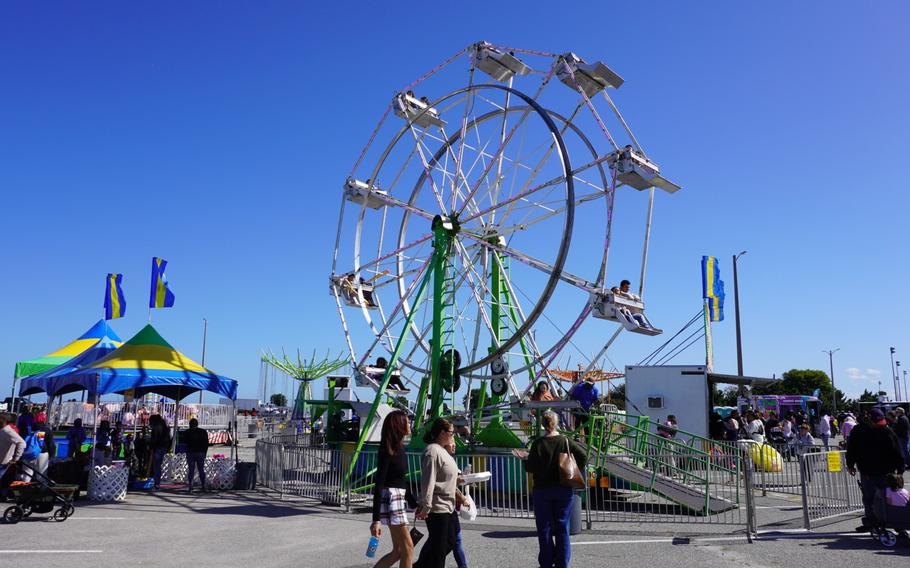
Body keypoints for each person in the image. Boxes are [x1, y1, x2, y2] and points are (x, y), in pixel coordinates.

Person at [513, 410, 586, 568]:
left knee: (544, 528)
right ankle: (562, 563)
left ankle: (546, 561)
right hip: (563, 488)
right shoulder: (565, 441)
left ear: (543, 424)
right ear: (556, 423)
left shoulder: (538, 443)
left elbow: (531, 466)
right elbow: (583, 455)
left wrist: (524, 459)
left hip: (542, 490)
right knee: (562, 527)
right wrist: (574, 468)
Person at [846, 407, 906, 531]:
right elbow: (852, 448)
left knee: (890, 497)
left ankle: (894, 522)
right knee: (869, 498)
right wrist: (850, 464)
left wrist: (900, 470)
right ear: (869, 420)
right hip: (867, 471)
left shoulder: (886, 431)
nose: (879, 425)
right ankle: (871, 522)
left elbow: (897, 451)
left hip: (886, 472)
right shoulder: (859, 431)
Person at [370, 410, 414, 568]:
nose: (410, 424)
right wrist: (375, 519)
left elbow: (402, 480)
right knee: (408, 549)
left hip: (398, 498)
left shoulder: (400, 449)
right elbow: (379, 483)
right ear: (399, 425)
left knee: (399, 551)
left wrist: (415, 503)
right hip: (392, 499)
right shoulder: (387, 450)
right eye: (407, 422)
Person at [415, 418, 459, 568]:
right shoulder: (432, 451)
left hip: (447, 506)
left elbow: (445, 476)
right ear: (442, 433)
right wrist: (426, 505)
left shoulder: (442, 451)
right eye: (452, 432)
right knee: (439, 551)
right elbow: (429, 480)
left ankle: (418, 566)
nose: (454, 436)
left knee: (448, 543)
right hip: (437, 507)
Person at [0, 414, 26, 494]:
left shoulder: (7, 431)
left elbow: (22, 443)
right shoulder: (3, 430)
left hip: (3, 462)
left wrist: (16, 458)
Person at [184, 418, 209, 492]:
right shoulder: (203, 431)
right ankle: (203, 485)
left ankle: (190, 485)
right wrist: (205, 453)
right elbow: (206, 443)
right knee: (201, 469)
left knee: (191, 470)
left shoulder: (187, 432)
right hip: (201, 452)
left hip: (190, 452)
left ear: (190, 425)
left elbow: (184, 442)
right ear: (197, 424)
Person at [149, 414, 172, 491]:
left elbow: (154, 439)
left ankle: (156, 484)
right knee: (158, 466)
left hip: (158, 447)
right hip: (164, 447)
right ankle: (157, 483)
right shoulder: (165, 427)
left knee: (156, 466)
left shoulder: (156, 428)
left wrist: (151, 446)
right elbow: (169, 438)